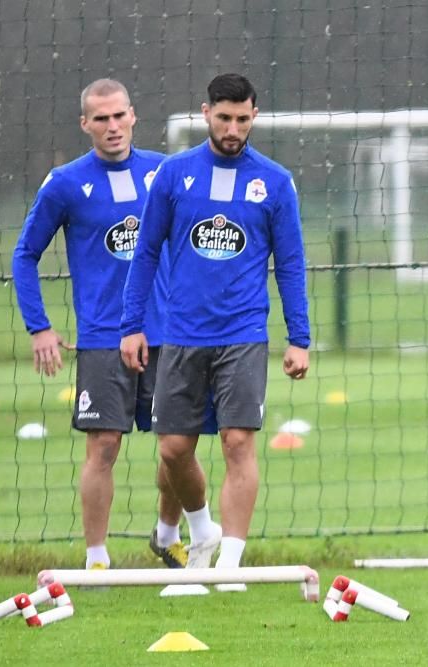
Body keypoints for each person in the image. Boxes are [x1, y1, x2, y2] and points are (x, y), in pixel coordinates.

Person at [11, 78, 211, 571]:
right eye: (101, 118)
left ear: (133, 115)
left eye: (119, 115)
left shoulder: (166, 173)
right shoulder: (64, 184)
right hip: (103, 337)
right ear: (85, 124)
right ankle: (97, 561)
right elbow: (24, 255)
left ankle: (168, 535)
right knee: (103, 446)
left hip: (169, 334)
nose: (112, 126)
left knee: (176, 448)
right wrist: (39, 327)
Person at [119, 73, 310, 585]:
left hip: (244, 335)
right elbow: (146, 252)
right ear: (206, 113)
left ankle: (229, 564)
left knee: (237, 443)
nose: (232, 128)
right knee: (173, 449)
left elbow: (290, 264)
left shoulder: (274, 182)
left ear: (254, 117)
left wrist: (300, 338)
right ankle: (202, 530)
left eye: (242, 119)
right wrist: (131, 325)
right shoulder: (174, 175)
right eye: (224, 117)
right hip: (180, 334)